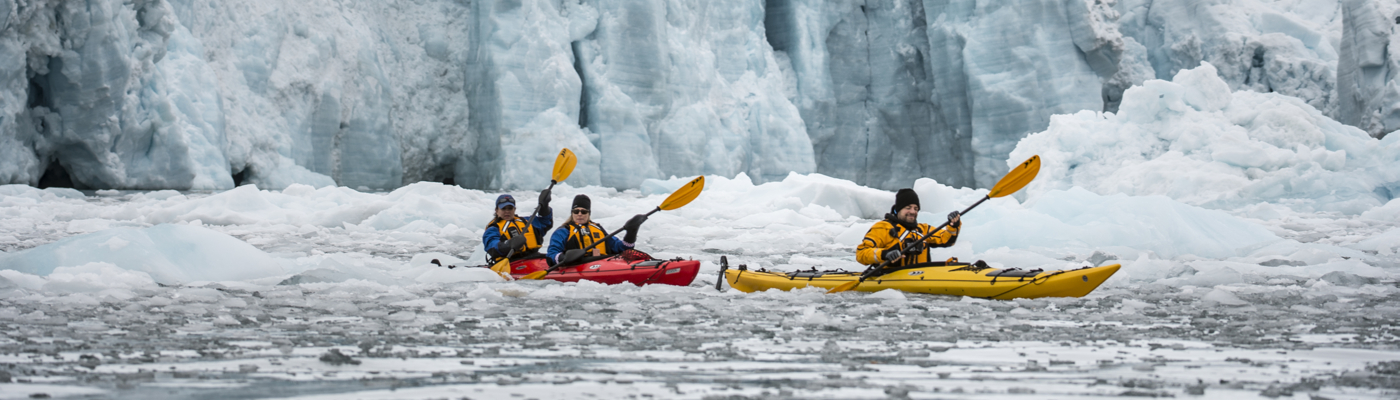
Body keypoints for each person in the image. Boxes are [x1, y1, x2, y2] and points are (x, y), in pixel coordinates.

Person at [856, 188, 961, 268]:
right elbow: (861, 253)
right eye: (908, 208)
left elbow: (946, 239)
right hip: (891, 282)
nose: (912, 212)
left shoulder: (923, 229)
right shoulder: (882, 228)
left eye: (916, 208)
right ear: (898, 209)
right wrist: (884, 254)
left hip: (921, 278)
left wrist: (953, 225)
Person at [546, 194, 645, 266]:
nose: (579, 214)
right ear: (572, 213)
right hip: (579, 264)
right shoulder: (563, 231)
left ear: (589, 213)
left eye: (583, 211)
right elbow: (552, 254)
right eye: (576, 211)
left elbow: (621, 248)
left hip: (604, 262)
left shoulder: (597, 229)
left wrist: (631, 233)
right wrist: (564, 258)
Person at [483, 191, 553, 264]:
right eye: (503, 209)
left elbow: (546, 222)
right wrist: (509, 244)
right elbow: (492, 246)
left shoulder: (527, 221)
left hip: (534, 259)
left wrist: (544, 207)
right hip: (511, 263)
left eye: (510, 208)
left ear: (514, 209)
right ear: (497, 210)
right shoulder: (493, 229)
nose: (507, 211)